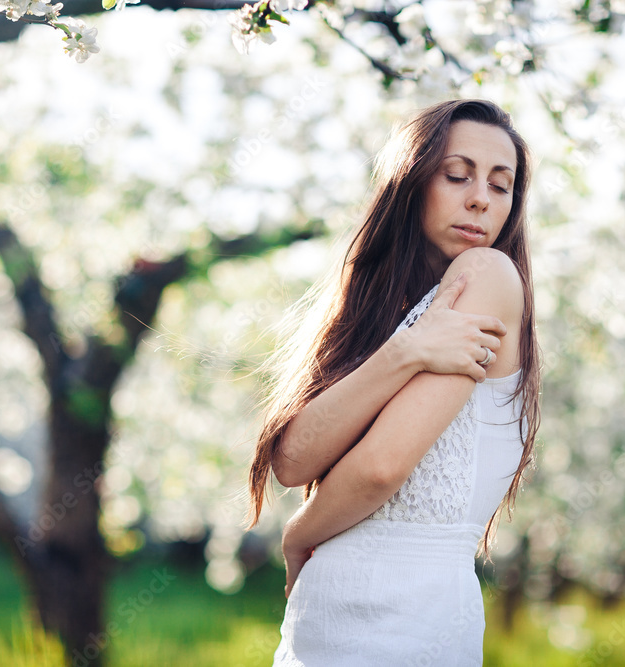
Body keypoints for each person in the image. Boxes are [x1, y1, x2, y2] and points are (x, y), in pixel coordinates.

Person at [247, 98, 541, 665]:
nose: (480, 196)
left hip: (406, 625)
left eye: (500, 186)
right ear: (411, 182)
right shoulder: (384, 317)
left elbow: (381, 468)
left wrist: (299, 534)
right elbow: (291, 460)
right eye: (457, 175)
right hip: (319, 628)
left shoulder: (487, 274)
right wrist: (404, 352)